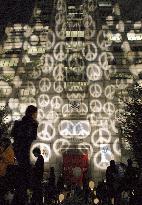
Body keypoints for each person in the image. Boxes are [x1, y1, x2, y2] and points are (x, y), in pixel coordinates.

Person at [0, 137, 15, 203]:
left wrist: (2, 153)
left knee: (3, 188)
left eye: (3, 142)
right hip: (2, 171)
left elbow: (9, 160)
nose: (2, 143)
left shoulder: (10, 150)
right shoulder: (5, 149)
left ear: (6, 142)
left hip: (5, 172)